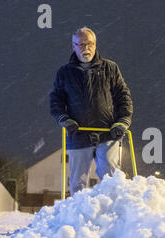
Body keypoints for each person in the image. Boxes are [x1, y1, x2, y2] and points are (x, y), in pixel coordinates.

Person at [50, 26, 133, 195]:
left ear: (95, 45)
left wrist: (122, 122)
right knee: (77, 183)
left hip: (109, 132)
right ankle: (78, 216)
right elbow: (56, 101)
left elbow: (123, 97)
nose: (85, 48)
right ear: (73, 46)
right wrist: (64, 119)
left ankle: (112, 214)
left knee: (111, 179)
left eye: (89, 44)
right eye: (80, 44)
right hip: (78, 133)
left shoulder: (110, 69)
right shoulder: (65, 72)